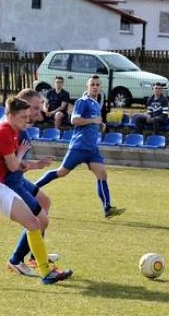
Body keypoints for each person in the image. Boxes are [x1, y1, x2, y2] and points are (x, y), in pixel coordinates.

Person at [0, 96, 73, 284]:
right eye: (22, 117)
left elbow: (15, 165)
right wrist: (20, 155)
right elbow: (13, 166)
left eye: (27, 116)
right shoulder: (4, 132)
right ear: (10, 116)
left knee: (33, 223)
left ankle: (46, 273)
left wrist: (32, 163)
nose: (26, 120)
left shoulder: (13, 131)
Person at [34, 75, 125, 219]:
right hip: (79, 146)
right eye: (92, 84)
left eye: (97, 84)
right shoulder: (82, 102)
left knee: (102, 174)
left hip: (92, 149)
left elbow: (91, 122)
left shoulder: (96, 103)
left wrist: (99, 125)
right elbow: (74, 119)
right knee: (62, 172)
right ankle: (32, 189)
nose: (95, 87)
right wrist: (93, 120)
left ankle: (107, 208)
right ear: (87, 87)